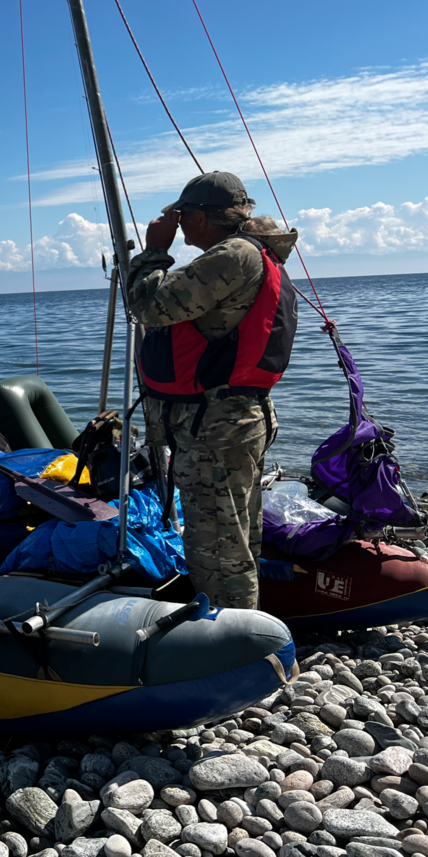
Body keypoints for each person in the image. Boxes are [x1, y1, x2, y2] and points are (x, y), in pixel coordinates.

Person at [127, 171, 298, 610]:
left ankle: (233, 648)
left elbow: (150, 306)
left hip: (216, 426)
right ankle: (252, 629)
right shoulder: (259, 254)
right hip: (239, 415)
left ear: (201, 218)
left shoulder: (232, 257)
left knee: (215, 543)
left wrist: (155, 251)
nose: (178, 224)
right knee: (236, 533)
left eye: (181, 215)